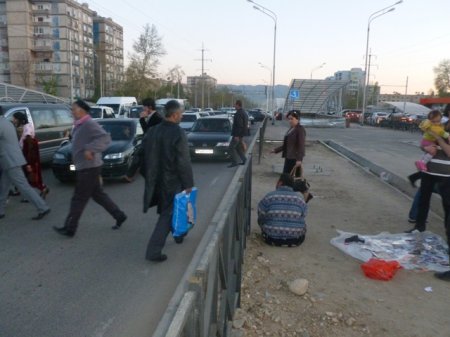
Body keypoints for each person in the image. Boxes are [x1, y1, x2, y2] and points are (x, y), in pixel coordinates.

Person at [53, 100, 127, 237]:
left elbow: (105, 138)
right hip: (86, 166)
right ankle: (119, 215)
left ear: (82, 110)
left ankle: (70, 228)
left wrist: (90, 149)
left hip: (89, 167)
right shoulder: (79, 125)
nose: (72, 111)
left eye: (74, 109)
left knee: (78, 198)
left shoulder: (88, 123)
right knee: (98, 195)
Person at [143, 100, 194, 262]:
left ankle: (179, 235)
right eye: (181, 113)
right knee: (167, 214)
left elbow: (141, 154)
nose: (183, 116)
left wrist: (147, 175)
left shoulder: (153, 131)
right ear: (175, 114)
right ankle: (153, 251)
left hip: (156, 181)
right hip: (172, 181)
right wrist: (188, 184)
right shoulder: (178, 133)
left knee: (170, 210)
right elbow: (183, 161)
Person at [407, 128, 450, 281]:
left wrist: (438, 140)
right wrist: (425, 147)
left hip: (447, 176)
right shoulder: (439, 127)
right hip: (429, 172)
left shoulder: (440, 134)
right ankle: (418, 227)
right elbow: (424, 142)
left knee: (448, 212)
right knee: (423, 201)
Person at [0, 107, 50, 220]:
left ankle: (43, 207)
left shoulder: (1, 125)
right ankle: (1, 210)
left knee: (24, 186)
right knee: (3, 187)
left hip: (10, 161)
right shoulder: (7, 123)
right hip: (11, 160)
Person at [258, 173, 307, 246]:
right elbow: (304, 215)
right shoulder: (300, 198)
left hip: (270, 239)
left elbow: (260, 215)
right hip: (295, 240)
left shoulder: (269, 196)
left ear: (280, 183)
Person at [12, 111, 49, 199]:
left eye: (14, 118)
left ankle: (42, 189)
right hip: (25, 153)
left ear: (19, 119)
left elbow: (29, 144)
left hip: (29, 154)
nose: (13, 120)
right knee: (23, 173)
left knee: (31, 173)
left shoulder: (27, 128)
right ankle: (19, 190)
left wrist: (28, 162)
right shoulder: (25, 127)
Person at [124, 98, 163, 182]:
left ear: (149, 107)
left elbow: (147, 132)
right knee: (140, 159)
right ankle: (130, 175)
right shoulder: (152, 117)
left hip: (154, 146)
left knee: (140, 157)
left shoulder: (157, 118)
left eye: (144, 107)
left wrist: (142, 119)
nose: (143, 109)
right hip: (150, 145)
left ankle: (130, 175)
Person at [271, 110, 306, 174]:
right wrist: (276, 150)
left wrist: (299, 159)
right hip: (289, 157)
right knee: (287, 178)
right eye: (289, 119)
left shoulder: (300, 129)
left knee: (292, 179)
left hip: (294, 159)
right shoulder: (291, 129)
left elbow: (301, 146)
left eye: (292, 119)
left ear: (297, 119)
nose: (290, 121)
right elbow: (287, 145)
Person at [228, 100, 248, 168]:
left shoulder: (239, 113)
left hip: (237, 135)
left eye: (235, 105)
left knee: (231, 147)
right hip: (241, 134)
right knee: (238, 148)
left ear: (238, 105)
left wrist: (237, 135)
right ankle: (245, 160)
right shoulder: (244, 112)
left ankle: (234, 162)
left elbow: (240, 125)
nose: (234, 106)